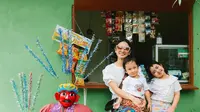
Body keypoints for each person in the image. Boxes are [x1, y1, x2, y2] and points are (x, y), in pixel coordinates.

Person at [102, 39, 143, 111]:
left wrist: (145, 100)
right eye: (119, 48)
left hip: (137, 103)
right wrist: (133, 99)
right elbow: (116, 89)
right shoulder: (109, 69)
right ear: (115, 49)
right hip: (119, 104)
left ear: (129, 52)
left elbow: (142, 86)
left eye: (126, 49)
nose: (122, 51)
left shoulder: (136, 68)